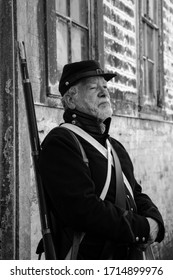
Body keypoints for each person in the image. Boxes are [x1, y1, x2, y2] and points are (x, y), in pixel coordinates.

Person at [39, 60, 165, 260]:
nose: (103, 92)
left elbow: (135, 193)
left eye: (105, 87)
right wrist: (141, 228)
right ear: (71, 100)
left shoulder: (114, 145)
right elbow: (83, 210)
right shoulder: (61, 143)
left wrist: (155, 221)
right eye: (93, 88)